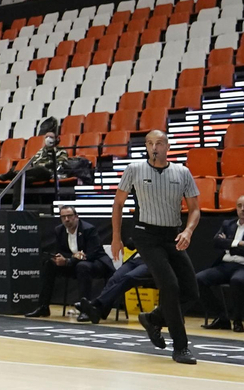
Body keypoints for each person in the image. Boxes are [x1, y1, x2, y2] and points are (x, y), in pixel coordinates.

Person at [110, 129, 202, 364]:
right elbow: (118, 203)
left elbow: (195, 209)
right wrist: (116, 238)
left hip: (172, 234)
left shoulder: (182, 172)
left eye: (159, 143)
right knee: (170, 286)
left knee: (191, 291)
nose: (154, 147)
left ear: (167, 147)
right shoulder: (134, 169)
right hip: (145, 235)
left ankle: (153, 319)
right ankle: (180, 347)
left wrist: (188, 231)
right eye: (150, 143)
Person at [26, 206, 110, 317]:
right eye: (63, 217)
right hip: (74, 263)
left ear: (76, 217)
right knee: (49, 264)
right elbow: (61, 251)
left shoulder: (88, 229)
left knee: (83, 266)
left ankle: (86, 310)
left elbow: (91, 253)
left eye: (69, 216)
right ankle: (43, 307)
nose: (66, 219)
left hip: (95, 264)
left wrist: (69, 260)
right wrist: (63, 259)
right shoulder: (59, 230)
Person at [196, 194, 244, 331]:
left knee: (238, 281)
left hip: (242, 266)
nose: (243, 209)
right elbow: (217, 242)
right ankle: (221, 317)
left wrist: (229, 245)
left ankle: (238, 320)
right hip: (225, 265)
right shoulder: (227, 224)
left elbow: (224, 244)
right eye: (240, 206)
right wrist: (238, 243)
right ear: (236, 208)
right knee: (199, 279)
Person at [73, 250, 154, 323]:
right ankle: (98, 312)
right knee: (115, 278)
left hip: (152, 261)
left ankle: (96, 304)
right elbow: (130, 244)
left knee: (128, 277)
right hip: (136, 259)